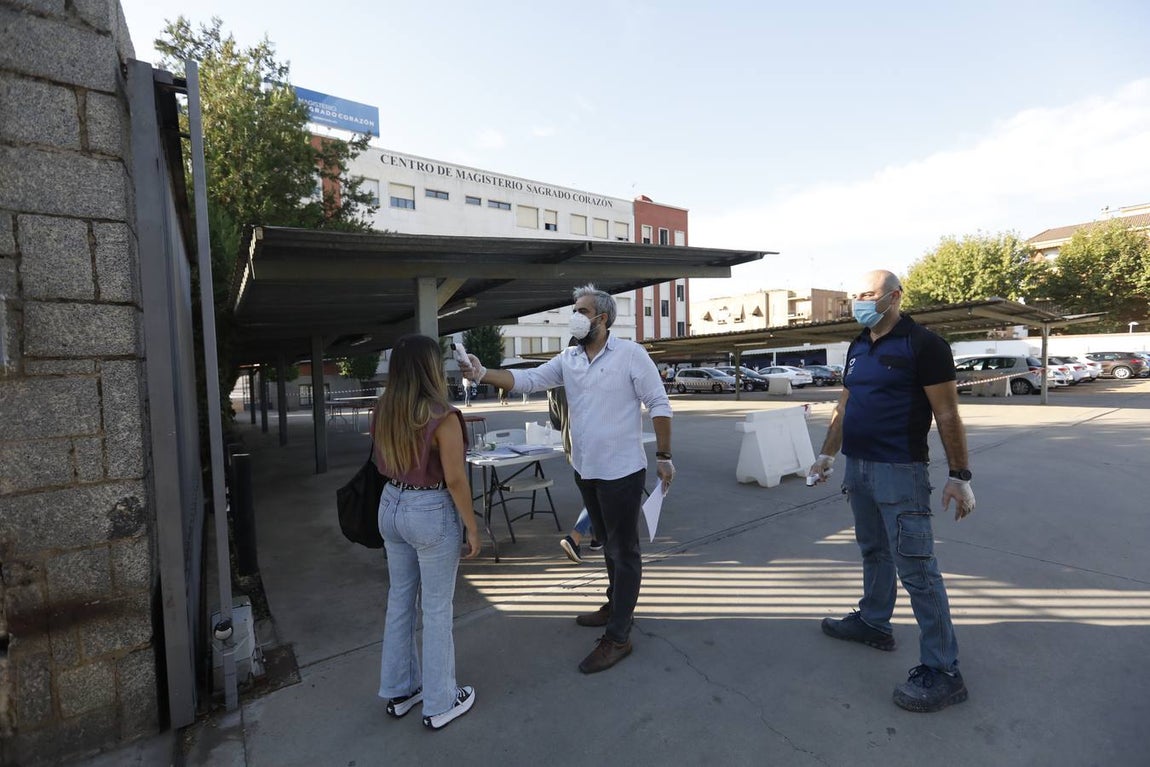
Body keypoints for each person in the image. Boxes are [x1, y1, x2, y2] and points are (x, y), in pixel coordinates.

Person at [459, 284, 674, 674]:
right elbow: (528, 380)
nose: (573, 315)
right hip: (585, 470)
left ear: (602, 319)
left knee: (624, 553)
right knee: (606, 544)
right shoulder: (569, 358)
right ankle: (614, 604)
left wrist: (663, 455)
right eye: (574, 309)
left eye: (581, 310)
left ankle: (619, 637)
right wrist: (482, 371)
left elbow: (659, 403)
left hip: (623, 471)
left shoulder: (630, 355)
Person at [808, 270, 976, 713]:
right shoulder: (858, 345)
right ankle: (874, 622)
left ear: (895, 297)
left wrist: (960, 475)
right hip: (857, 468)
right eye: (854, 295)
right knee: (873, 551)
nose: (858, 301)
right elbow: (845, 405)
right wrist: (827, 454)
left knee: (918, 569)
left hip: (900, 471)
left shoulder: (924, 345)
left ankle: (944, 670)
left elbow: (948, 415)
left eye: (868, 294)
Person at [372, 334, 481, 730]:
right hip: (429, 509)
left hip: (391, 504)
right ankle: (440, 701)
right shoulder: (443, 416)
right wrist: (472, 527)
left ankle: (401, 689)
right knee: (436, 609)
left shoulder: (383, 408)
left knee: (400, 599)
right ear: (430, 368)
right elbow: (455, 479)